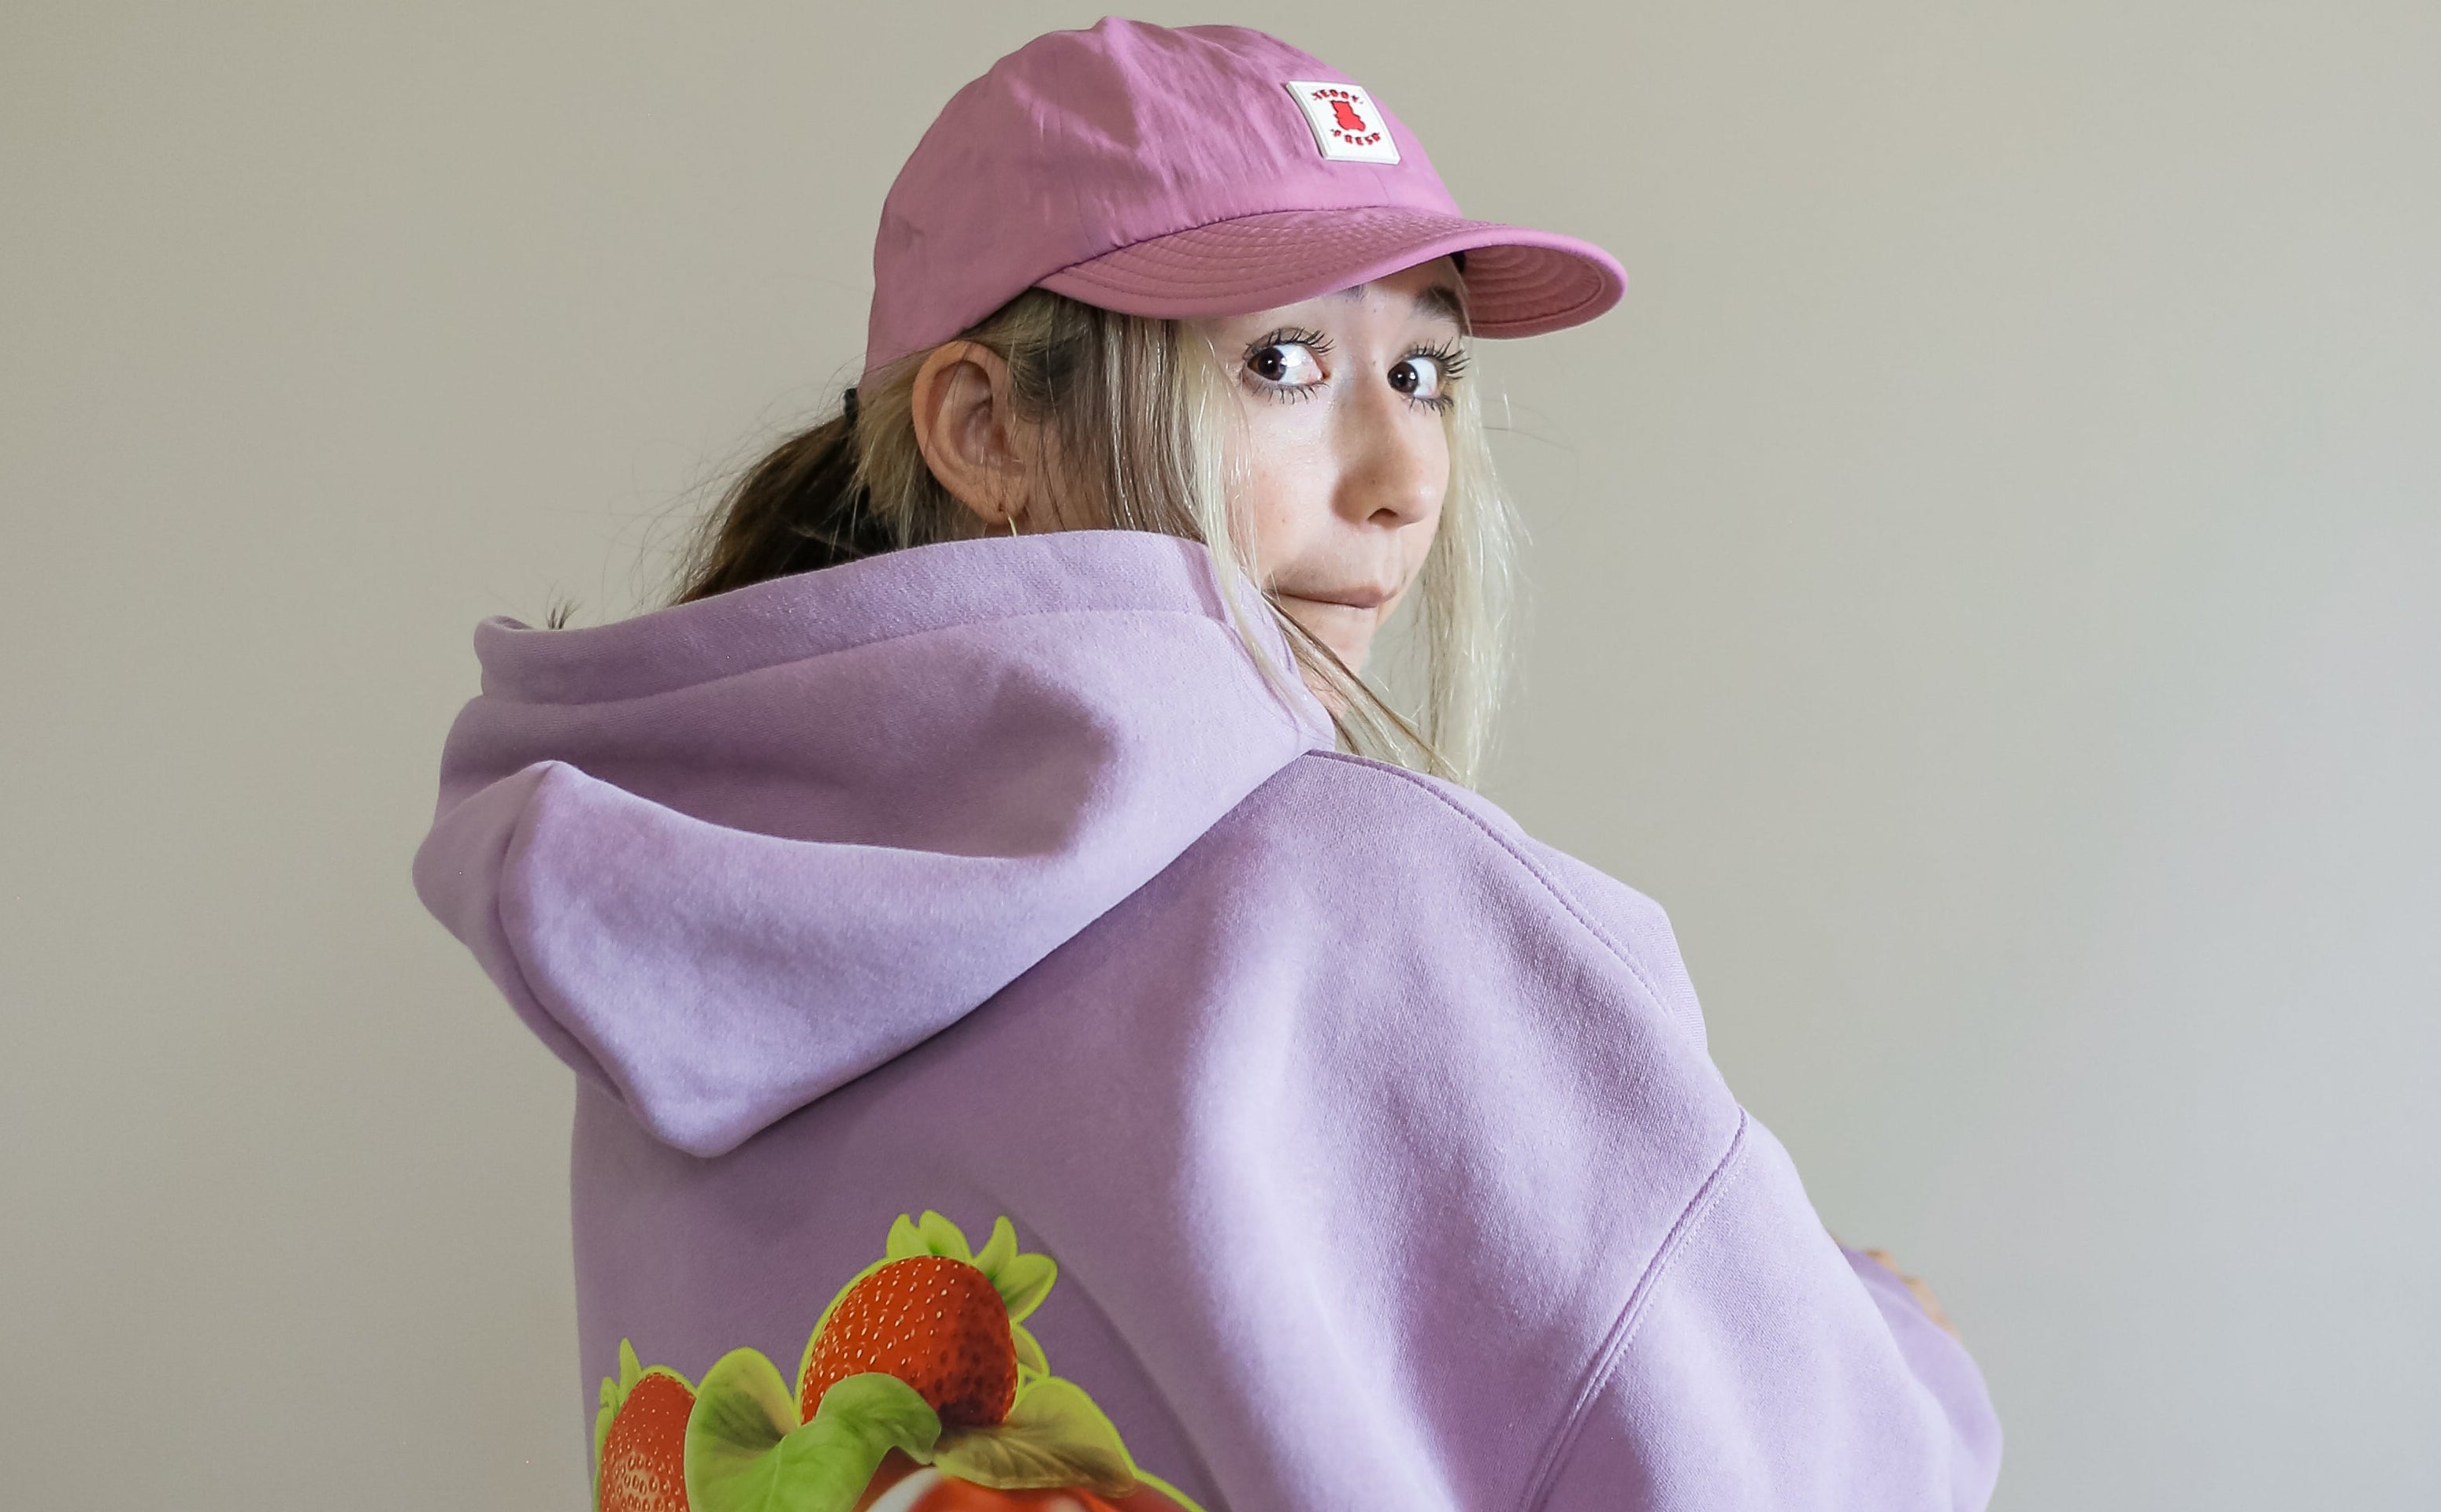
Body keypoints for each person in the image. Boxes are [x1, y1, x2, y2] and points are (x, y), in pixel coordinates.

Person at [412, 18, 2001, 1511]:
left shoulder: (675, 925)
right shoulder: (1384, 902)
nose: (1400, 480)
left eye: (1426, 372)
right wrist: (1892, 1347)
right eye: (1285, 366)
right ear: (987, 429)